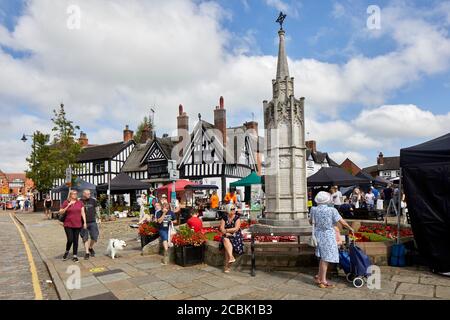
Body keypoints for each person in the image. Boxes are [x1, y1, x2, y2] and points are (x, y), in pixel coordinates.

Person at [310, 191, 353, 288]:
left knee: (322, 257)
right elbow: (342, 222)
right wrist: (350, 228)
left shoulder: (314, 209)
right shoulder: (332, 210)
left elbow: (310, 222)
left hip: (318, 235)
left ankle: (319, 277)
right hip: (328, 235)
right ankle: (323, 280)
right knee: (326, 258)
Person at [59, 190, 87, 263]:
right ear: (70, 195)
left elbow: (83, 213)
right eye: (73, 194)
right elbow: (60, 212)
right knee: (70, 239)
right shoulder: (66, 202)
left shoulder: (80, 203)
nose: (75, 195)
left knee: (76, 240)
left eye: (76, 194)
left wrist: (85, 222)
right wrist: (68, 205)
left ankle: (75, 255)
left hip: (77, 224)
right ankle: (67, 251)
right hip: (68, 224)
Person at [219, 204, 244, 273]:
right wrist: (226, 233)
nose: (233, 210)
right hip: (227, 235)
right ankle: (231, 257)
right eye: (231, 209)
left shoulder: (237, 218)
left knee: (226, 245)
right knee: (225, 239)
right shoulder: (224, 217)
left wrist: (226, 230)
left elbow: (236, 229)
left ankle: (227, 266)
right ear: (228, 210)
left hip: (236, 235)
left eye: (234, 209)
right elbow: (221, 227)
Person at [80, 190, 99, 260]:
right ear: (83, 194)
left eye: (89, 194)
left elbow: (97, 209)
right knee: (85, 238)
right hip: (83, 222)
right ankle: (87, 252)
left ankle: (90, 247)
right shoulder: (80, 201)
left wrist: (98, 217)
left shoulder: (93, 200)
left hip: (93, 221)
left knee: (95, 236)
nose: (89, 195)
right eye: (87, 194)